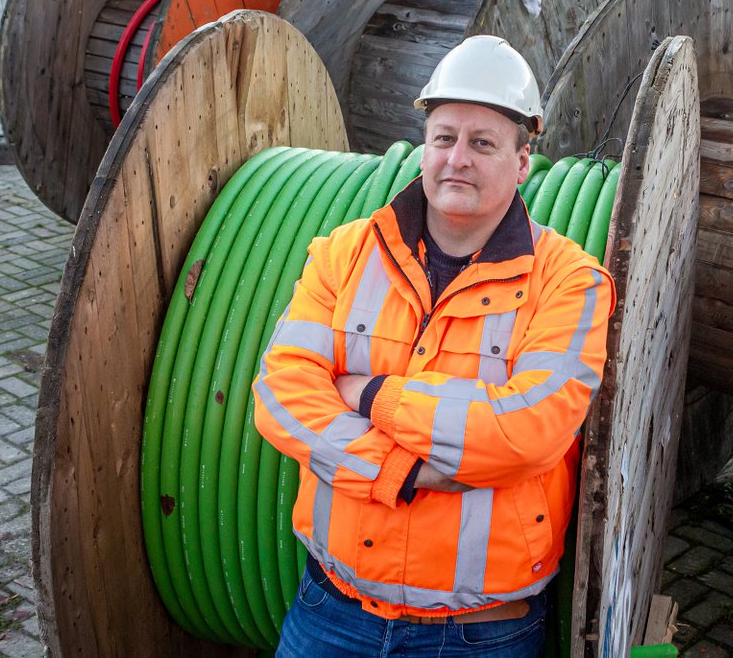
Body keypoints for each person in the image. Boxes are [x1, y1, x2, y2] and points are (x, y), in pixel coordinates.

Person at [253, 35, 615, 657]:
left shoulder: (571, 282)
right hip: (331, 609)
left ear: (523, 161)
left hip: (479, 631)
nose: (458, 160)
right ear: (425, 147)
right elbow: (282, 395)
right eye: (444, 138)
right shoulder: (345, 253)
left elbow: (526, 432)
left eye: (483, 143)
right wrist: (398, 469)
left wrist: (370, 394)